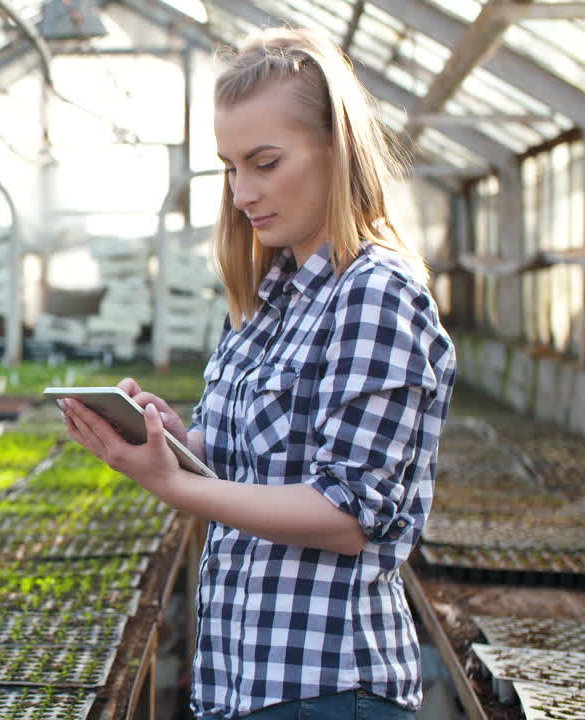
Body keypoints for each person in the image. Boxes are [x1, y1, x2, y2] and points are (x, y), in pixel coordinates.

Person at [57, 26, 456, 720]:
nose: (242, 192)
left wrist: (176, 485)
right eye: (231, 166)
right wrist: (172, 441)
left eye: (265, 162)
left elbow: (345, 514)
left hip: (330, 690)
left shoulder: (373, 292)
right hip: (241, 682)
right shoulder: (261, 295)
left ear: (338, 150)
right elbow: (243, 462)